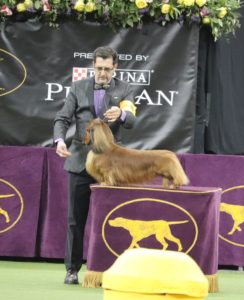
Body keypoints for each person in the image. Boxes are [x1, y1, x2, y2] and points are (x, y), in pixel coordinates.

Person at [53, 46, 136, 284]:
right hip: (80, 162)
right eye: (99, 68)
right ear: (93, 66)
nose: (102, 73)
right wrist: (59, 140)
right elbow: (62, 118)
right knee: (75, 220)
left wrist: (120, 114)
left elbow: (130, 120)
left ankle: (108, 269)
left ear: (115, 67)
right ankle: (72, 270)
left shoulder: (125, 89)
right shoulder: (78, 87)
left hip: (111, 166)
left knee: (112, 219)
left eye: (107, 69)